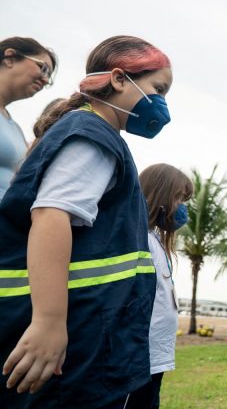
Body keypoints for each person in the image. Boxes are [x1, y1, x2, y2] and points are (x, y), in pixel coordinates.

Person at [0, 35, 173, 408]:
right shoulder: (92, 136)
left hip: (86, 323)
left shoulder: (93, 133)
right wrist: (49, 323)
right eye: (158, 88)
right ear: (118, 79)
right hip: (76, 329)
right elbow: (51, 215)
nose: (162, 103)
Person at [127, 164, 193, 409]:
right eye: (178, 197)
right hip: (140, 357)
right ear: (159, 195)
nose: (182, 207)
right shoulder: (139, 239)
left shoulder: (154, 240)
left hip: (155, 356)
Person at [0, 37, 57, 200]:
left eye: (50, 77)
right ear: (10, 58)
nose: (46, 80)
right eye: (43, 68)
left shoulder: (15, 129)